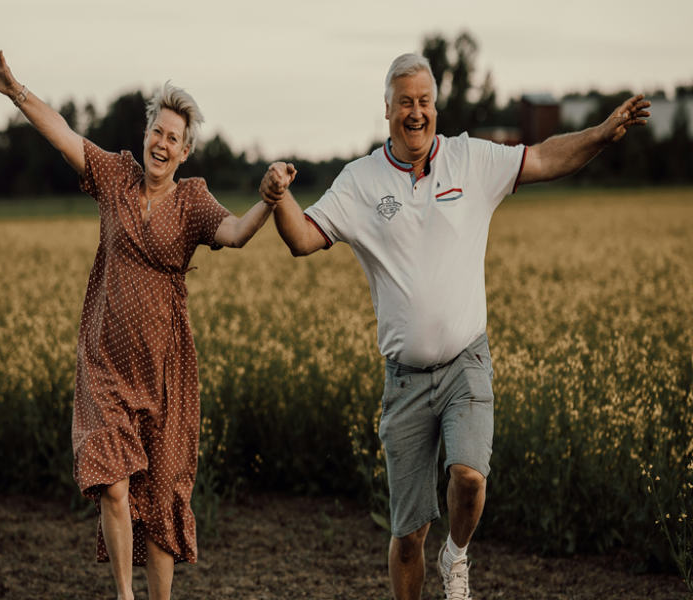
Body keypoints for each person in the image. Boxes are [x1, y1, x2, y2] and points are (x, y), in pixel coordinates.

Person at [260, 53, 650, 600]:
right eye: (405, 103)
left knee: (469, 476)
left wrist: (605, 132)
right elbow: (302, 238)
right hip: (404, 380)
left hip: (467, 360)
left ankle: (458, 554)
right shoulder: (362, 181)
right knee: (406, 535)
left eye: (424, 102)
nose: (415, 113)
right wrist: (278, 198)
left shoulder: (471, 160)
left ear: (435, 107)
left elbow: (543, 158)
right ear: (388, 110)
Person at [0, 46, 277, 600]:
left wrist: (267, 201)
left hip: (166, 373)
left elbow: (235, 233)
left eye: (173, 138)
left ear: (185, 151)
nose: (162, 144)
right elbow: (64, 134)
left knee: (162, 503)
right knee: (114, 486)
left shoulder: (192, 202)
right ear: (146, 135)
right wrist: (18, 92)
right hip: (105, 365)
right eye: (156, 132)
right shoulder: (115, 176)